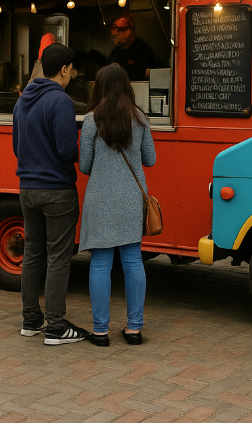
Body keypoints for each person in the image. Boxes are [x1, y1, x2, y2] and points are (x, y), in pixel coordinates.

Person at [12, 42, 90, 345]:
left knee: (32, 255)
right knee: (58, 258)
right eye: (72, 71)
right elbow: (66, 150)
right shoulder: (60, 101)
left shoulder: (23, 100)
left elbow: (16, 147)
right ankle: (57, 326)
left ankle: (31, 320)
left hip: (27, 188)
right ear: (65, 69)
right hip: (57, 190)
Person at [79, 63, 155, 347]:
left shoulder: (91, 121)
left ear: (99, 86)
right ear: (127, 86)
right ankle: (134, 329)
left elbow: (85, 166)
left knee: (100, 263)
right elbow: (151, 160)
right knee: (133, 260)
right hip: (131, 200)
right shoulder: (140, 119)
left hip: (100, 199)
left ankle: (100, 332)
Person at [106, 13, 157, 81]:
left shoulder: (143, 50)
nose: (116, 33)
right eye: (114, 29)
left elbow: (143, 77)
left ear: (131, 30)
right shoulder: (116, 51)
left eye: (120, 29)